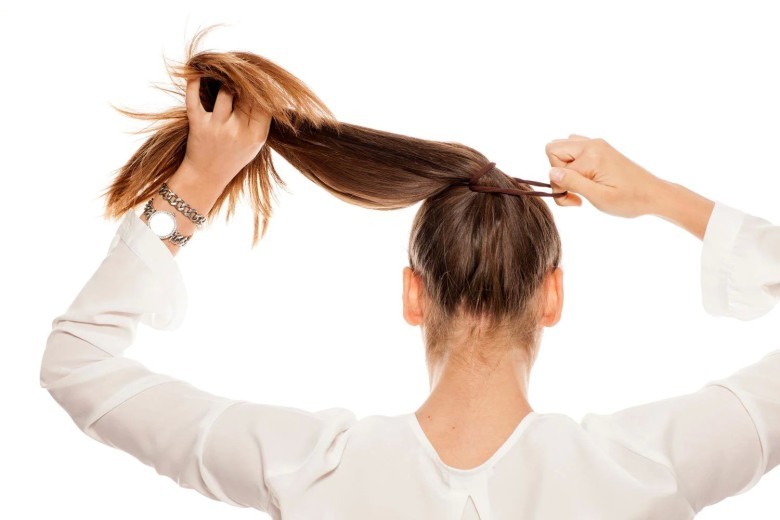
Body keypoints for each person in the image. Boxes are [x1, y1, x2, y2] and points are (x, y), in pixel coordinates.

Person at [40, 76, 780, 519]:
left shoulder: (307, 468)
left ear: (413, 296)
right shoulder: (647, 469)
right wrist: (661, 198)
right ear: (552, 297)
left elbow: (76, 362)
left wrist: (198, 184)